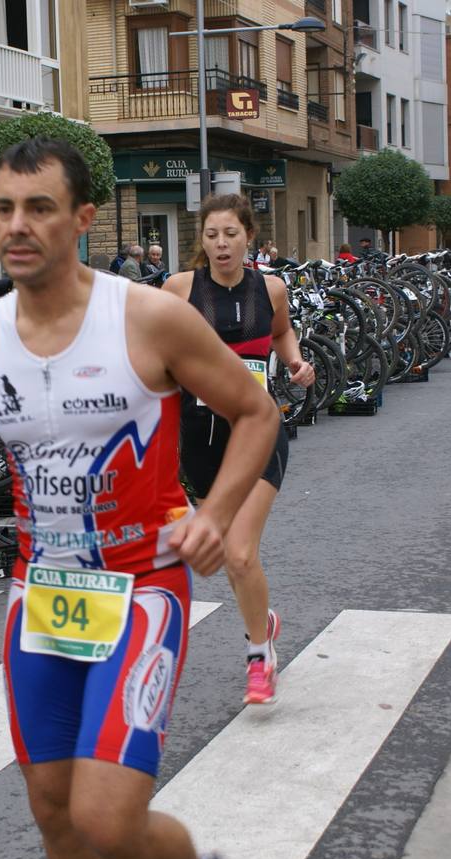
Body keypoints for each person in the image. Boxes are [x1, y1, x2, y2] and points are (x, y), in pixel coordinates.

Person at [0, 136, 280, 859]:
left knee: (108, 818)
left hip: (144, 590)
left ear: (83, 217)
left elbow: (257, 411)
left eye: (40, 208)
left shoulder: (151, 319)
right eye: (3, 208)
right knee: (54, 811)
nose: (17, 225)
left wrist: (215, 514)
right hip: (44, 597)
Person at [162, 192, 316, 705]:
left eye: (230, 234)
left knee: (240, 552)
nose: (221, 244)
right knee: (234, 561)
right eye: (211, 235)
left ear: (249, 235)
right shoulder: (179, 288)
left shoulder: (270, 288)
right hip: (201, 440)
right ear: (200, 241)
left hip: (258, 433)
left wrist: (295, 362)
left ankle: (259, 656)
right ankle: (263, 621)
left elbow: (281, 332)